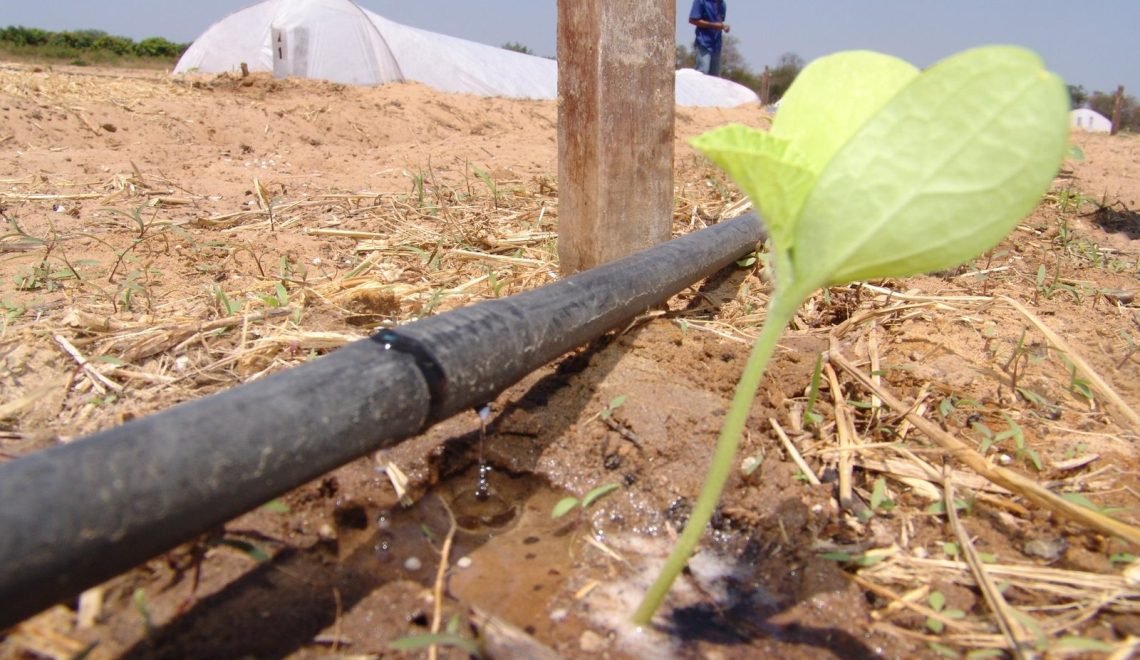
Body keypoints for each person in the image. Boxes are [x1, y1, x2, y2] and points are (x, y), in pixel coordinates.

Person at [689, 0, 730, 77]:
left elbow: (720, 21)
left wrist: (724, 27)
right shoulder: (701, 1)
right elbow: (693, 20)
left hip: (716, 45)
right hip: (703, 43)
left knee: (714, 77)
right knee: (702, 73)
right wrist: (714, 26)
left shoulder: (722, 4)